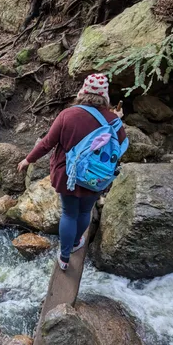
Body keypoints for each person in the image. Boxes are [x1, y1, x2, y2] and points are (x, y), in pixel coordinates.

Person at [17, 74, 126, 271]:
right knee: (85, 211)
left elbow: (47, 143)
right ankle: (77, 242)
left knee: (69, 213)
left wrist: (28, 159)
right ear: (105, 96)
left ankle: (65, 257)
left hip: (69, 175)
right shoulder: (113, 120)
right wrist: (116, 122)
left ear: (83, 91)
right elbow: (120, 148)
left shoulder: (68, 115)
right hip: (96, 177)